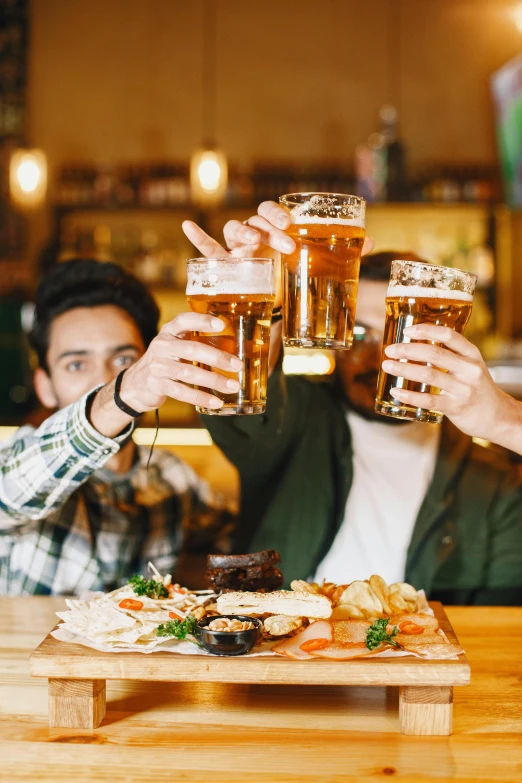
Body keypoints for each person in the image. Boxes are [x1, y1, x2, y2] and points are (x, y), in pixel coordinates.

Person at [182, 207, 522, 604]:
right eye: (359, 333)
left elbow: (501, 627)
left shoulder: (495, 485)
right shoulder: (299, 418)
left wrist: (504, 420)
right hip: (285, 657)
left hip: (417, 662)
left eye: (401, 334)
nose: (380, 357)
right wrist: (255, 296)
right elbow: (235, 398)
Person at [0, 259, 239, 595]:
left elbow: (236, 535)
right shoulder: (22, 463)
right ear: (45, 386)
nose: (103, 379)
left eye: (124, 360)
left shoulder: (172, 477)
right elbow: (10, 490)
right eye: (77, 364)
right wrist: (122, 394)